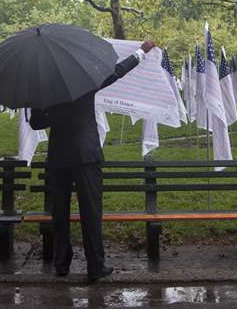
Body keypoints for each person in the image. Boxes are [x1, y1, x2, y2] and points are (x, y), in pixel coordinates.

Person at [29, 39, 156, 282]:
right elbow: (116, 72)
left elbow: (36, 123)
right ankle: (95, 266)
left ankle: (61, 265)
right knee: (91, 212)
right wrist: (141, 52)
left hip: (58, 158)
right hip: (86, 155)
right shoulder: (84, 77)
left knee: (60, 214)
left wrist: (50, 113)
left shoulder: (42, 88)